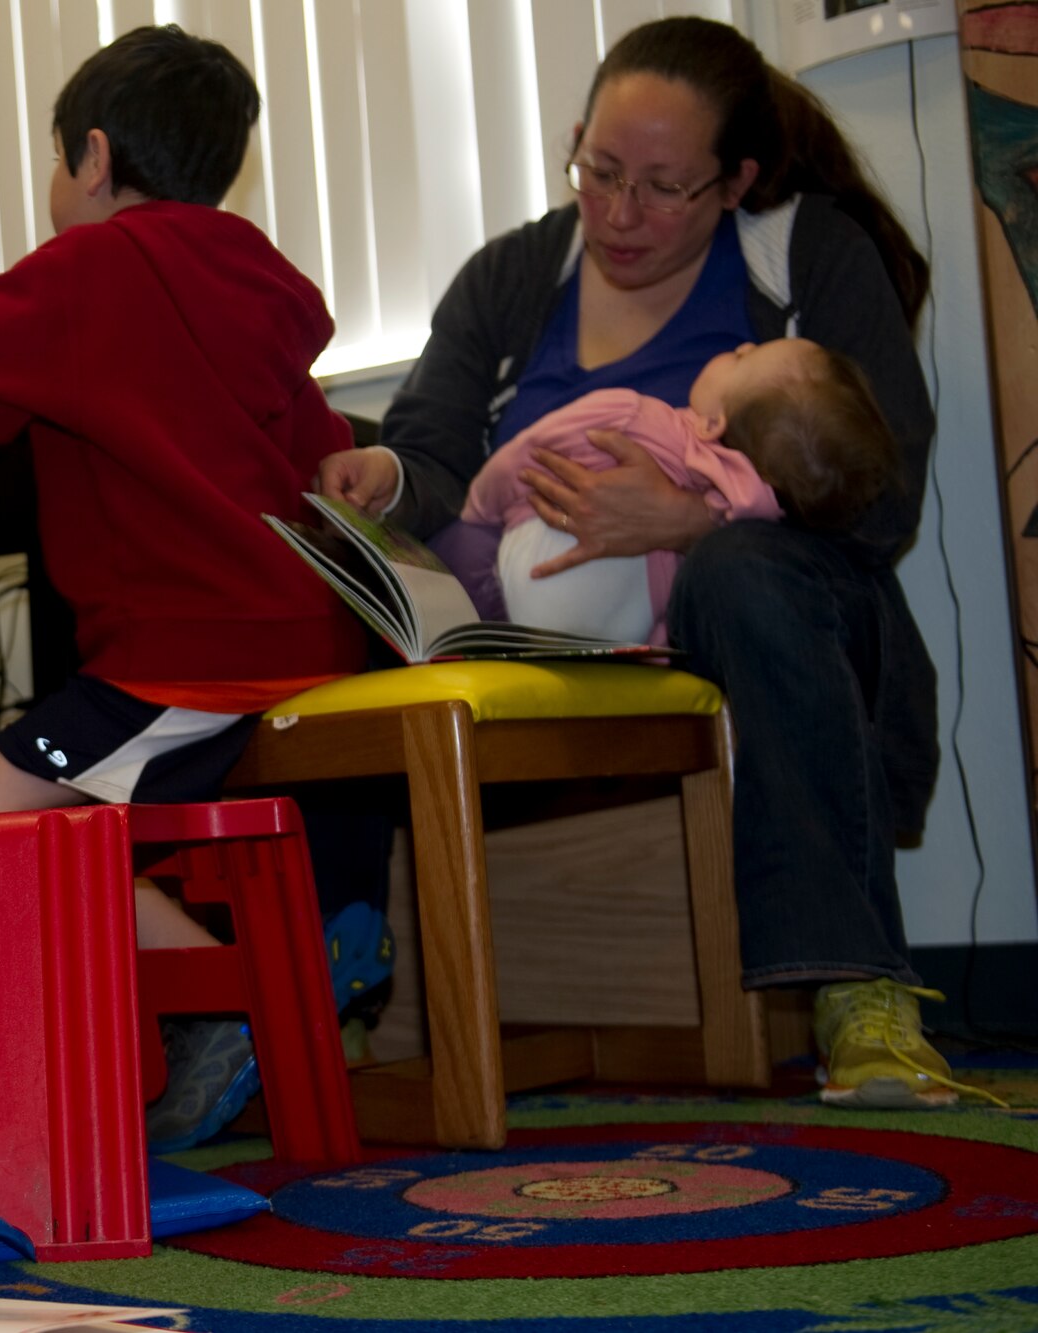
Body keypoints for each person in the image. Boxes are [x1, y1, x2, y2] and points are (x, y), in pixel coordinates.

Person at [316, 15, 1001, 1110]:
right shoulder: (512, 277)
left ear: (734, 182)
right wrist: (384, 478)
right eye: (598, 171)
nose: (617, 214)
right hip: (536, 627)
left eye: (661, 187)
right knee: (339, 586)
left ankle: (855, 989)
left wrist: (688, 526)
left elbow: (878, 501)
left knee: (739, 572)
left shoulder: (805, 259)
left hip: (755, 615)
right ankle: (326, 971)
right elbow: (432, 448)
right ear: (577, 140)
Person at [0, 24, 377, 1151]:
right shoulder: (258, 283)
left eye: (59, 165)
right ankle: (290, 960)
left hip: (187, 649)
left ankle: (247, 989)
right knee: (88, 821)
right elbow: (319, 445)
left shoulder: (86, 266)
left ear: (94, 157)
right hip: (306, 629)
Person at [464, 338, 898, 645]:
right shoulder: (748, 512)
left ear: (712, 425)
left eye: (744, 358)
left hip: (523, 592)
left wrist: (478, 509)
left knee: (454, 550)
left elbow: (526, 456)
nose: (743, 346)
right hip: (618, 643)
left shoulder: (632, 416)